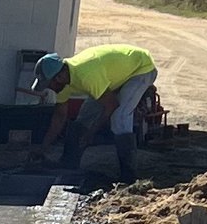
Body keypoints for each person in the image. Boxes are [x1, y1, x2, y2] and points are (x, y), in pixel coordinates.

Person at [33, 42, 163, 170]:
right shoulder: (64, 83)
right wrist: (42, 149)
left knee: (119, 116)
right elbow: (59, 117)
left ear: (59, 77)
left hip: (141, 68)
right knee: (84, 117)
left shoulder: (86, 75)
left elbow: (111, 105)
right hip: (115, 75)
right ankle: (69, 163)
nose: (49, 88)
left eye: (49, 85)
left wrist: (91, 133)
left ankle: (128, 173)